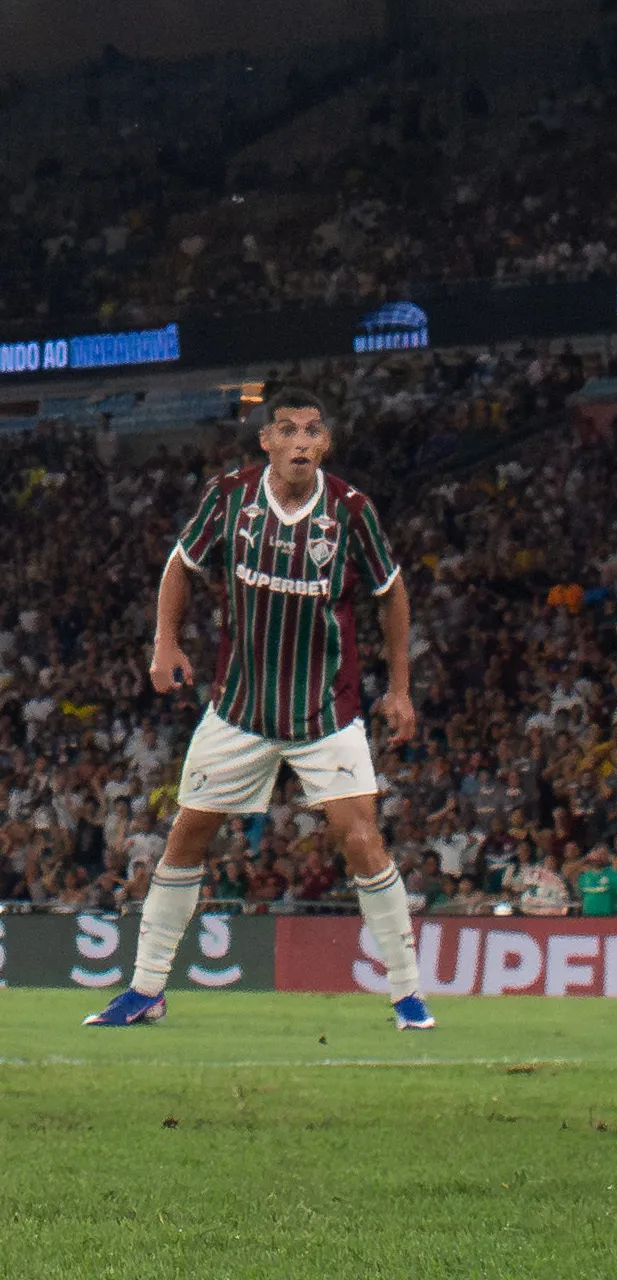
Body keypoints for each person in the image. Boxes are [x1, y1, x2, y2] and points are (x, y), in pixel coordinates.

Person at [85, 388, 432, 1031]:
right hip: (239, 710)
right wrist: (164, 640)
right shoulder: (229, 497)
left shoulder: (352, 511)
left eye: (312, 431)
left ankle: (408, 994)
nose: (301, 441)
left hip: (325, 712)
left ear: (325, 443)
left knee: (361, 840)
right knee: (187, 833)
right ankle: (145, 989)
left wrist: (401, 687)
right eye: (288, 430)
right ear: (265, 441)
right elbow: (181, 564)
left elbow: (392, 595)